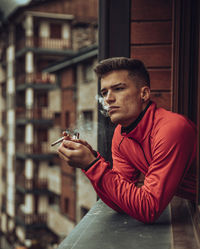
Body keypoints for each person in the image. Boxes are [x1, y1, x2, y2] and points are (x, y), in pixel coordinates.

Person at [58, 57, 196, 223]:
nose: (108, 98)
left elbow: (149, 208)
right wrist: (92, 160)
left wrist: (92, 165)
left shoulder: (172, 129)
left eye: (118, 89)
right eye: (104, 92)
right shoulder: (121, 135)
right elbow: (120, 202)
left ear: (143, 94)